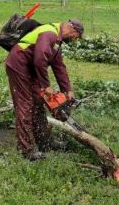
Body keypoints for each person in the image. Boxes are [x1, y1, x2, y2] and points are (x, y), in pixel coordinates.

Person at [5, 19, 84, 160]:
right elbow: (40, 58)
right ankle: (27, 150)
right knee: (26, 106)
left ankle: (44, 141)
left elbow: (59, 66)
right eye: (75, 37)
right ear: (72, 29)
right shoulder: (49, 33)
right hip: (19, 66)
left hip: (31, 69)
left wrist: (67, 90)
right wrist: (45, 85)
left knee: (38, 103)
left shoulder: (56, 40)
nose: (74, 40)